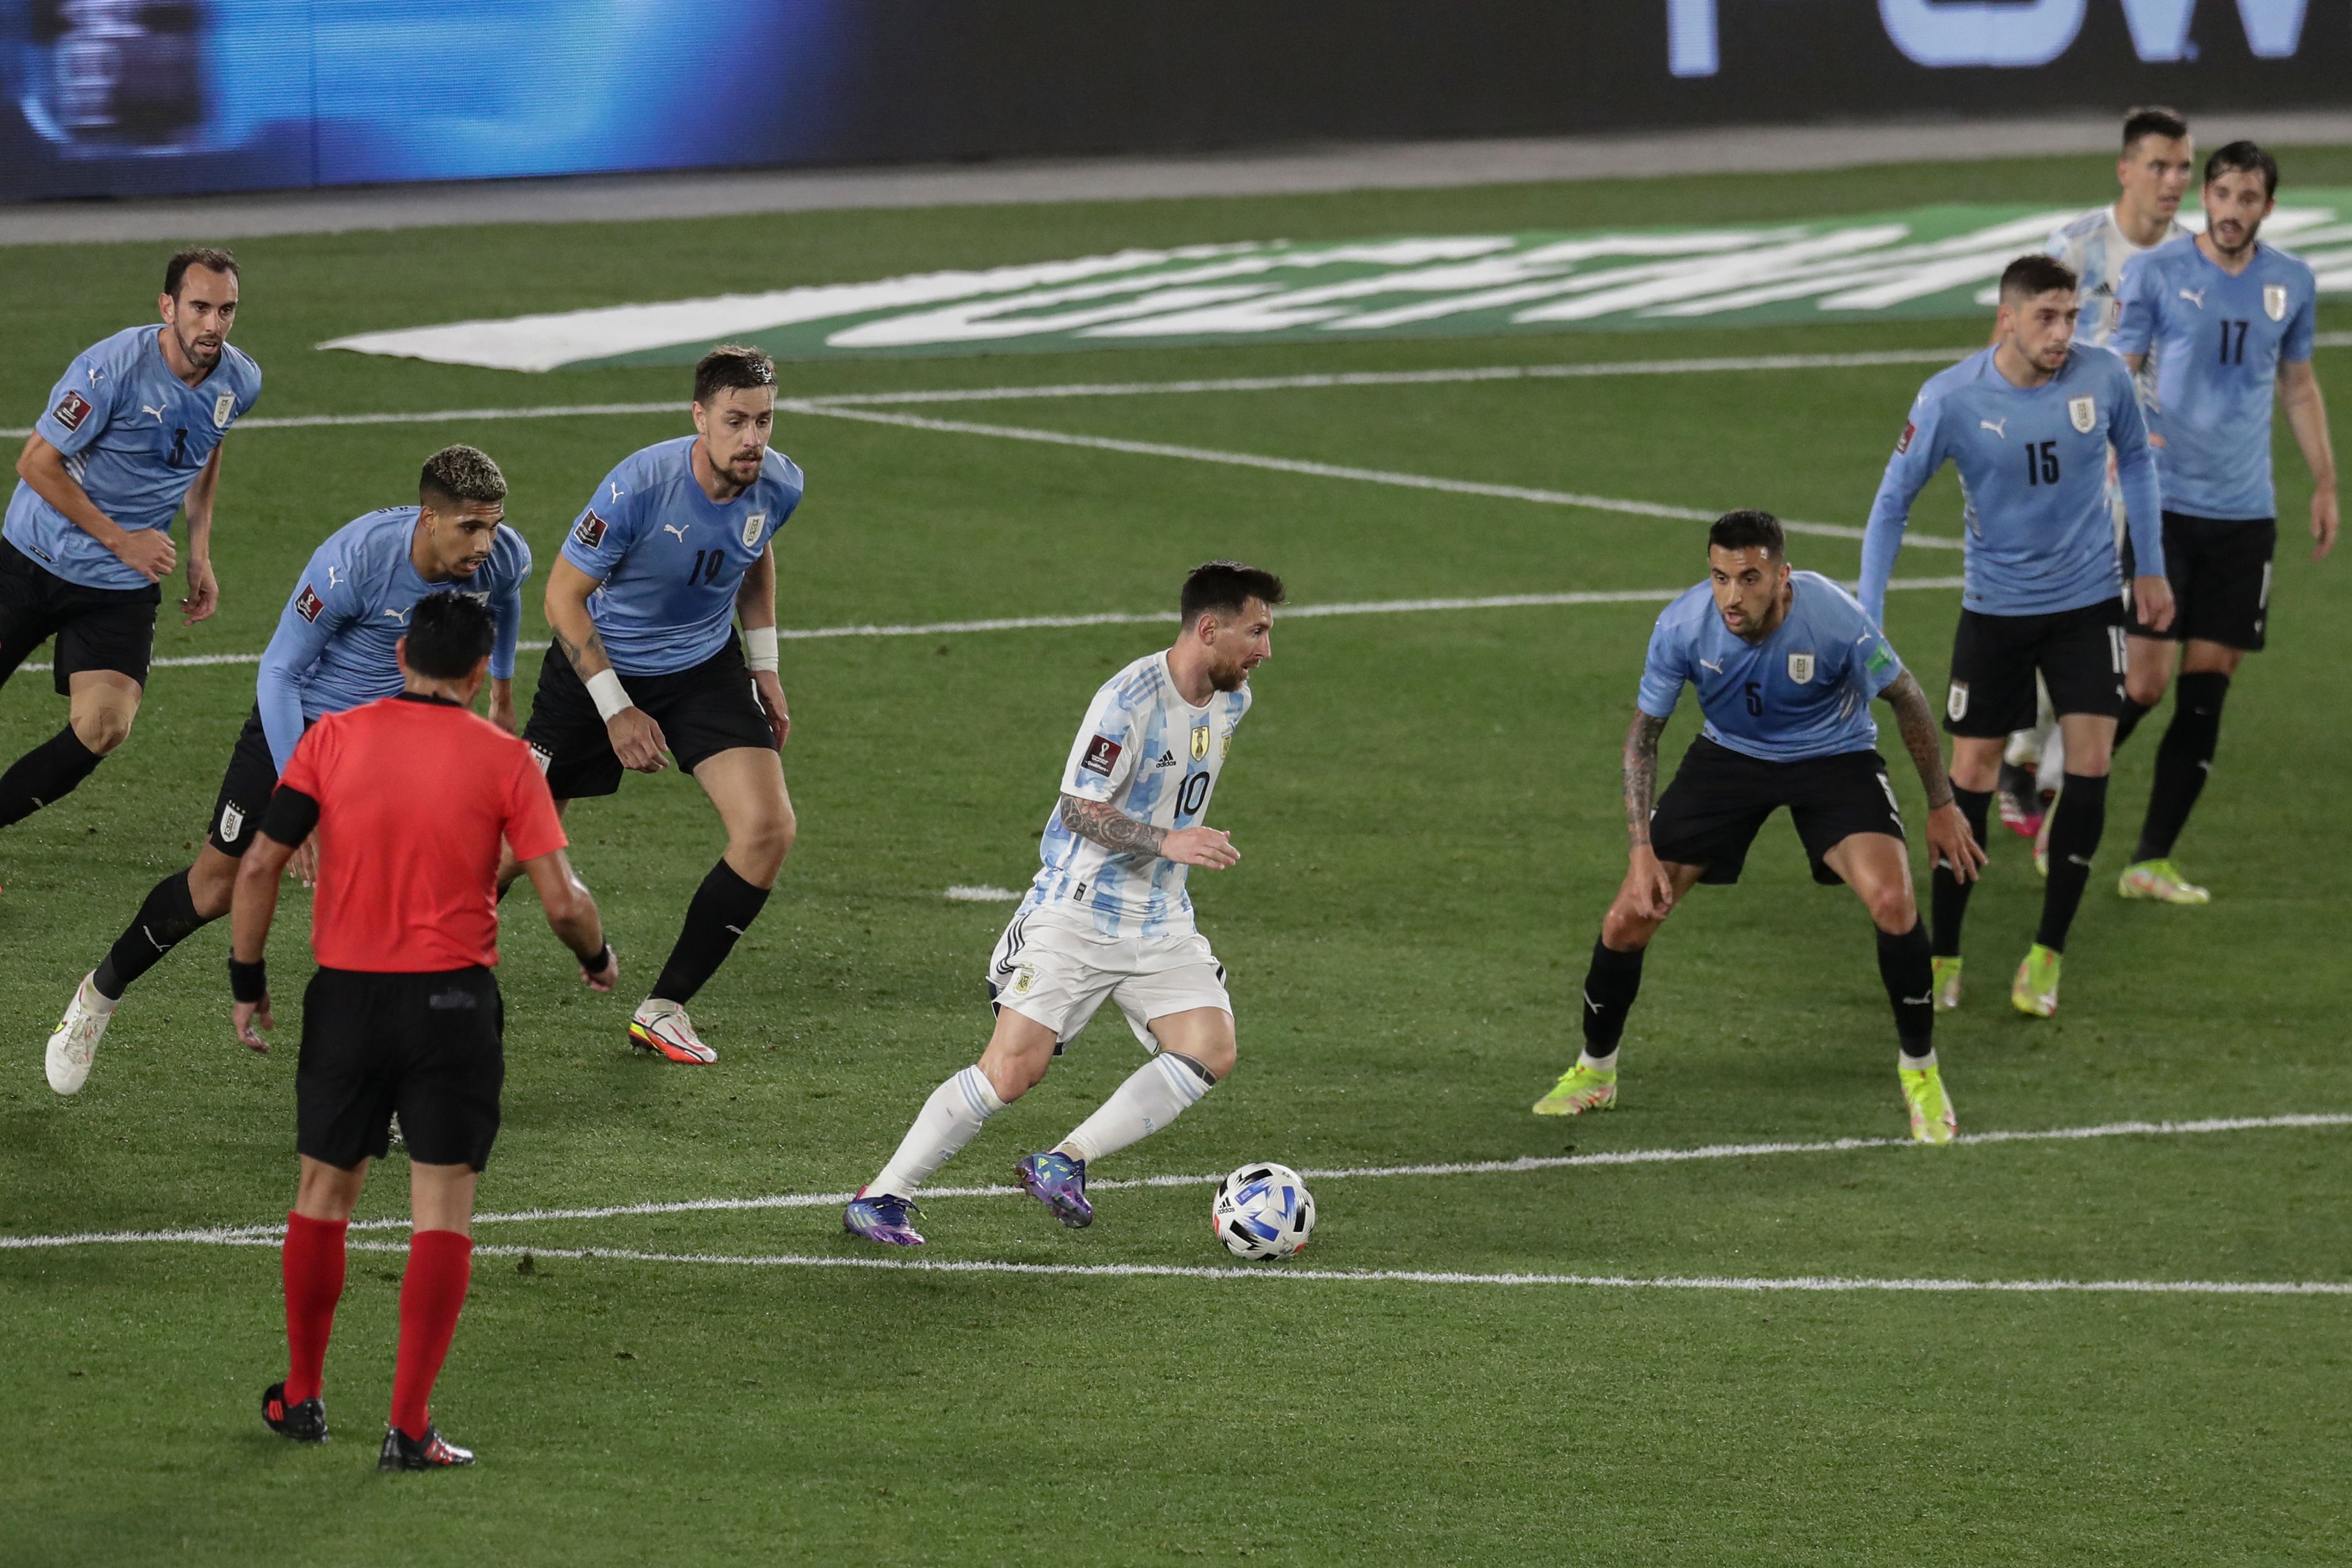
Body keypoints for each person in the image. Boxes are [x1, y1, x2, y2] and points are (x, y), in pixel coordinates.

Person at [231, 593, 616, 1470]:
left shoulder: (331, 738)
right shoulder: (506, 758)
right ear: (479, 673)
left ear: (401, 652)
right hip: (453, 1006)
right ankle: (408, 1426)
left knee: (322, 1194)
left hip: (347, 1000)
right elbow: (563, 901)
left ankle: (302, 1394)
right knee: (441, 1209)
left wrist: (247, 978)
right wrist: (596, 955)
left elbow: (258, 863)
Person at [43, 446, 530, 1094]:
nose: (485, 543)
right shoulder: (354, 561)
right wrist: (300, 801)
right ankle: (98, 996)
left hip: (395, 746)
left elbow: (506, 599)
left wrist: (501, 692)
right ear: (429, 518)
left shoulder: (502, 557)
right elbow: (279, 673)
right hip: (303, 729)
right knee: (213, 890)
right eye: (471, 527)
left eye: (494, 525)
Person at [843, 561, 1281, 1247]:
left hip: (1160, 918)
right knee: (1012, 1072)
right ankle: (882, 1196)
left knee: (1210, 1048)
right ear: (1207, 629)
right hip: (1078, 913)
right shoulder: (1127, 702)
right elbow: (1079, 808)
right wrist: (1169, 842)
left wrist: (1170, 854)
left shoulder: (1233, 699)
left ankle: (1065, 1160)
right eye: (1255, 632)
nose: (1266, 650)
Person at [1533, 511, 1984, 1142]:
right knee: (1626, 919)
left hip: (1833, 756)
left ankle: (1921, 1072)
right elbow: (1643, 738)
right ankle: (1595, 1071)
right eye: (1720, 578)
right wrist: (1641, 850)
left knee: (1893, 902)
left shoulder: (1833, 617)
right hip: (1730, 757)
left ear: (1781, 576)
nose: (1731, 596)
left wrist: (1941, 804)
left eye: (1749, 578)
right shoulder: (1682, 626)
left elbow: (1905, 695)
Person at [1859, 254, 2174, 1019]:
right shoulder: (1950, 397)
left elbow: (2136, 459)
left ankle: (2046, 955)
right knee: (1968, 772)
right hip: (1995, 612)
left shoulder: (2103, 378)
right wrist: (1868, 611)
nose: (2062, 333)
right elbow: (1891, 502)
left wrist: (2150, 568)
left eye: (2070, 316)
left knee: (2090, 763)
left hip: (2087, 606)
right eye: (2045, 317)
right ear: (2007, 319)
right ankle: (1944, 953)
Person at [518, 344, 801, 1065]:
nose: (752, 439)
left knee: (768, 829)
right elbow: (562, 598)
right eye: (735, 421)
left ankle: (664, 1008)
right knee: (512, 848)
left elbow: (754, 554)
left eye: (764, 421)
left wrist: (765, 666)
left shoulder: (779, 483)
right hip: (598, 668)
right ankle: (412, 971)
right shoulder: (638, 486)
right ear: (699, 416)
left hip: (703, 668)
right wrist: (615, 708)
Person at [2105, 141, 2337, 903]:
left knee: (2206, 687)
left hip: (2244, 516)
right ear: (2205, 197)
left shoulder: (2290, 282)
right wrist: (2115, 445)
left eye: (2249, 198)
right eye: (2223, 195)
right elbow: (2119, 368)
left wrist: (2324, 481)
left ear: (2268, 206)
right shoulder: (2157, 272)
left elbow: (2297, 385)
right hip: (2164, 506)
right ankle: (2060, 787)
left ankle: (2150, 860)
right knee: (2145, 682)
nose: (2233, 211)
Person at [0, 248, 261, 874]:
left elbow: (207, 446)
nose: (213, 325)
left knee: (104, 726)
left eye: (226, 310)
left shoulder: (240, 381)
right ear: (168, 307)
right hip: (34, 558)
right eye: (200, 308)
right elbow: (35, 464)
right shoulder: (110, 369)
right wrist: (122, 539)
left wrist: (199, 552)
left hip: (117, 584)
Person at [1997, 107, 2198, 847]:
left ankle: (2038, 759)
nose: (2172, 181)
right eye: (2158, 166)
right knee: (2065, 614)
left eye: (2183, 168)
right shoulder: (2077, 248)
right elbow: (2014, 343)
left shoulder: (2192, 259)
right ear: (2125, 170)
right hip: (2068, 468)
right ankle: (2026, 752)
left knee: (2118, 635)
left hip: (2153, 473)